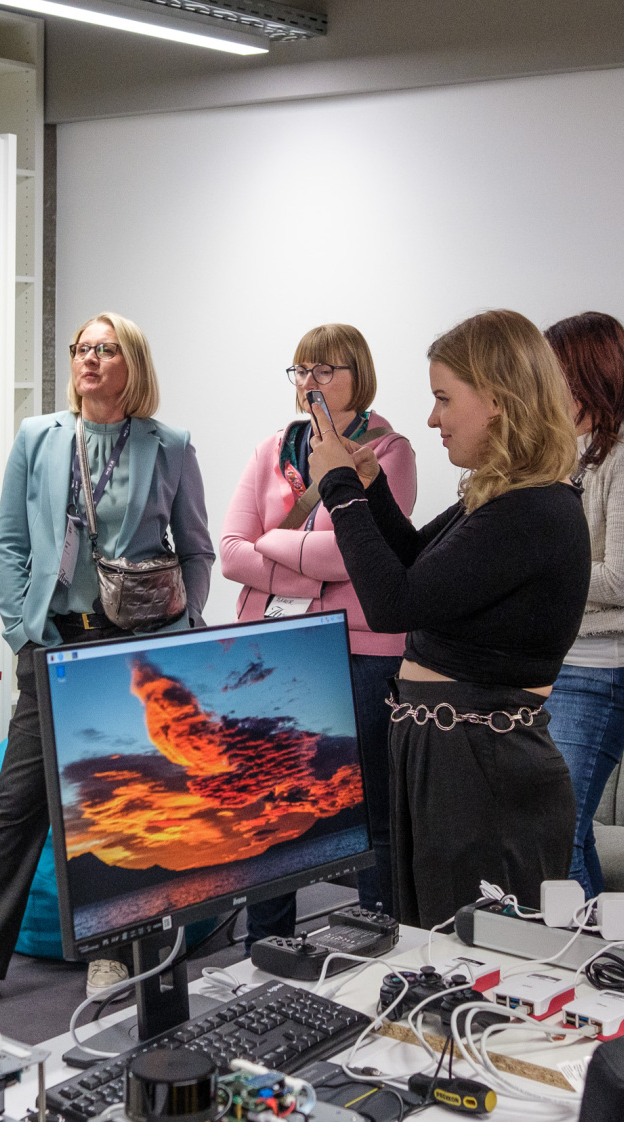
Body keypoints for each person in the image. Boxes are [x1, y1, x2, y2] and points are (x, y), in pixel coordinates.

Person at [0, 312, 213, 1003]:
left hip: (133, 651)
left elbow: (197, 548)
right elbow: (12, 541)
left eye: (106, 349)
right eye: (83, 348)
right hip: (54, 643)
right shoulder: (40, 437)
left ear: (132, 364)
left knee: (118, 805)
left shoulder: (169, 445)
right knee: (15, 807)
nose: (90, 359)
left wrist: (179, 633)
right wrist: (20, 629)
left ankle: (113, 951)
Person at [310, 309, 590, 929]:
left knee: (469, 952)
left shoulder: (533, 510)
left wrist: (339, 490)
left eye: (443, 399)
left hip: (480, 767)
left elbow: (394, 605)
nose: (433, 419)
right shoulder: (501, 496)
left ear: (497, 401)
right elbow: (416, 565)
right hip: (454, 755)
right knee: (434, 941)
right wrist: (370, 487)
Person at [220, 324, 417, 938]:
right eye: (302, 369)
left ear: (359, 376)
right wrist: (314, 572)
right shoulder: (271, 449)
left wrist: (273, 545)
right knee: (269, 805)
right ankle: (265, 948)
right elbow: (230, 552)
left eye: (325, 370)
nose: (310, 382)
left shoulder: (387, 451)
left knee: (368, 810)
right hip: (275, 647)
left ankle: (376, 942)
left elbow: (361, 554)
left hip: (362, 652)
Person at [539, 313, 624, 897]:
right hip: (549, 665)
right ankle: (597, 947)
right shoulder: (559, 453)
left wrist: (531, 571)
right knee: (565, 832)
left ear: (586, 374)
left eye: (552, 371)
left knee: (556, 837)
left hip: (602, 669)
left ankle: (572, 949)